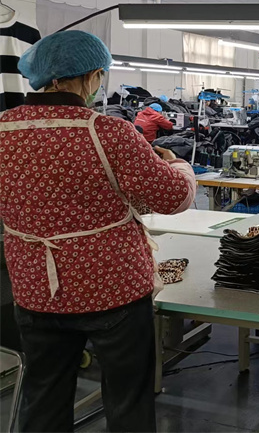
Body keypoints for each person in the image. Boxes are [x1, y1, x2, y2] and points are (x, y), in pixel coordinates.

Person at [0, 30, 196, 433]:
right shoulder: (109, 133)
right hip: (112, 290)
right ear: (91, 76)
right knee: (127, 400)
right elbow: (173, 198)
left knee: (44, 396)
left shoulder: (3, 129)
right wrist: (179, 166)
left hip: (37, 289)